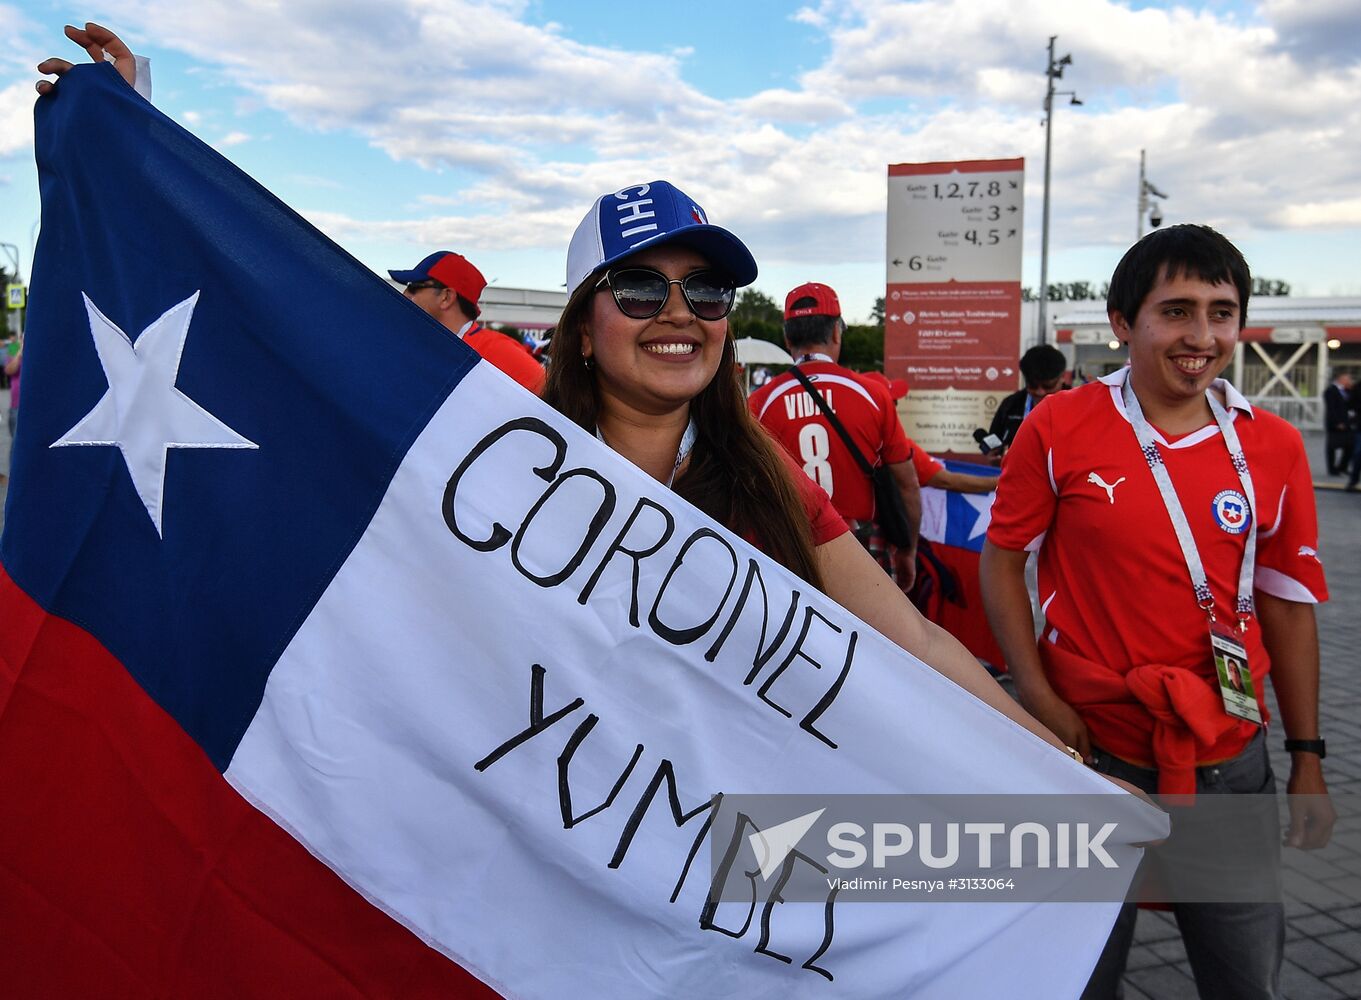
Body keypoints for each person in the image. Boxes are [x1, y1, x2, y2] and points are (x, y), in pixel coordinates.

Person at [981, 224, 1334, 1000]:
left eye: (1221, 311)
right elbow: (1003, 560)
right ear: (1122, 322)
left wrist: (1307, 755)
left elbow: (1287, 604)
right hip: (1089, 751)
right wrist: (1036, 697)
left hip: (1226, 748)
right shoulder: (1058, 425)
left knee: (1244, 978)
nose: (1201, 336)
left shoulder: (1269, 445)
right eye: (1175, 311)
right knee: (1075, 974)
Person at [747, 283, 920, 587]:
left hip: (790, 549)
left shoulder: (759, 403)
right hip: (862, 548)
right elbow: (907, 485)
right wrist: (908, 550)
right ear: (837, 332)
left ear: (787, 337)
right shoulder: (873, 394)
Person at [389, 251, 545, 395]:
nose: (405, 294)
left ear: (446, 297)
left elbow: (555, 404)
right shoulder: (421, 346)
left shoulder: (497, 351)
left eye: (414, 287)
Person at [987, 343, 1068, 452]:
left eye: (1048, 386)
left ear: (1062, 377)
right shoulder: (1010, 405)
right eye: (1032, 385)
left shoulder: (1080, 406)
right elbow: (995, 440)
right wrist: (995, 456)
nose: (1040, 392)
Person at [1322, 369, 1354, 477]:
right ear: (1341, 378)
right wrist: (1337, 422)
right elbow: (1331, 408)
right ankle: (1332, 469)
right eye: (1347, 378)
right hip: (1334, 423)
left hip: (1347, 422)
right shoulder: (1330, 391)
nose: (1349, 380)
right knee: (1332, 446)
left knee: (1350, 445)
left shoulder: (1347, 390)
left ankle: (1342, 467)